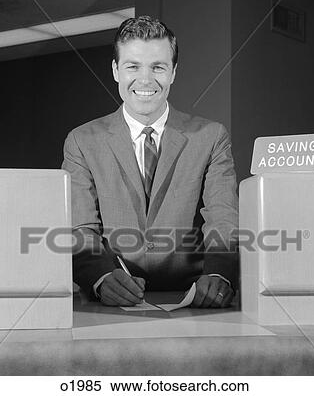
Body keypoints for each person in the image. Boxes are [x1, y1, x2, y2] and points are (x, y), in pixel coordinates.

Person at [62, 16, 238, 308]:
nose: (145, 80)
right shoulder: (82, 140)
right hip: (109, 304)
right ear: (116, 70)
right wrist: (102, 277)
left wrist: (219, 273)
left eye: (158, 67)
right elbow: (81, 230)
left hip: (194, 300)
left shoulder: (211, 137)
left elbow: (223, 220)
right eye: (133, 66)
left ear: (173, 72)